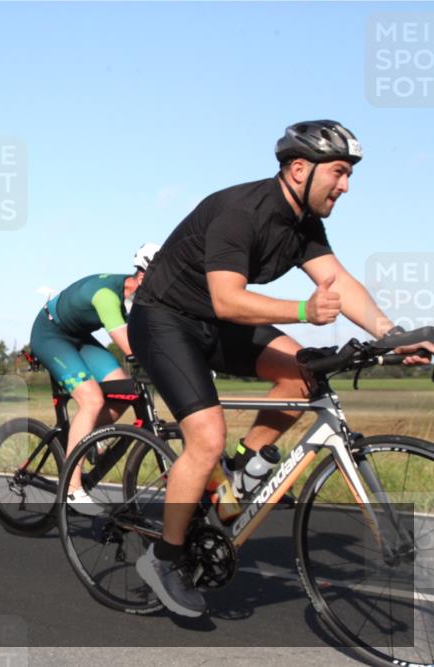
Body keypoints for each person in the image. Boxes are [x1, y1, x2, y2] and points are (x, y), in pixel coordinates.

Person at [127, 120, 434, 618]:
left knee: (303, 374)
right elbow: (228, 300)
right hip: (166, 320)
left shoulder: (303, 225)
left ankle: (236, 474)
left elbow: (340, 281)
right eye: (338, 172)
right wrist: (303, 312)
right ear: (298, 169)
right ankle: (162, 559)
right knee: (205, 436)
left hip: (217, 324)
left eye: (349, 174)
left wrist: (391, 334)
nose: (346, 186)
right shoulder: (239, 212)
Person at [30, 243, 160, 513]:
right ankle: (72, 488)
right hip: (50, 335)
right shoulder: (106, 295)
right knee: (91, 400)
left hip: (77, 337)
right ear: (142, 275)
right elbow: (127, 343)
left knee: (125, 388)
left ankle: (88, 438)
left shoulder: (133, 298)